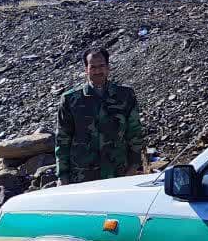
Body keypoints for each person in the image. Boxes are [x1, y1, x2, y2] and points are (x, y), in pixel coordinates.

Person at [55, 47, 145, 185]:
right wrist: (62, 176)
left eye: (101, 66)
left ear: (108, 67)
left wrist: (134, 167)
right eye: (93, 67)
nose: (98, 71)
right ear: (86, 69)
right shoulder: (71, 99)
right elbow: (63, 139)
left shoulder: (125, 95)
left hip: (119, 174)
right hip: (83, 177)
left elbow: (135, 133)